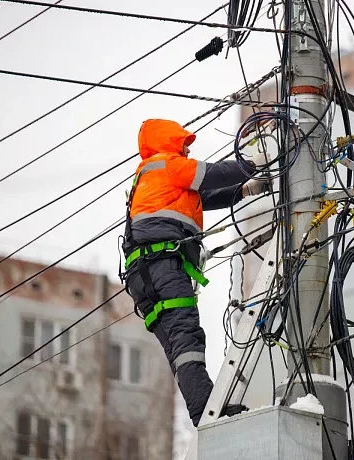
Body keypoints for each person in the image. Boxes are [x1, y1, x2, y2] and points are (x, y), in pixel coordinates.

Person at [120, 119, 271, 426]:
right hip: (162, 267)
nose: (187, 148)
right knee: (186, 336)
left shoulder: (150, 177)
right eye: (183, 142)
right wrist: (251, 164)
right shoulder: (168, 164)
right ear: (169, 140)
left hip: (142, 275)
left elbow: (204, 197)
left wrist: (245, 190)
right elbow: (210, 175)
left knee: (178, 345)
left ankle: (203, 409)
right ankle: (205, 411)